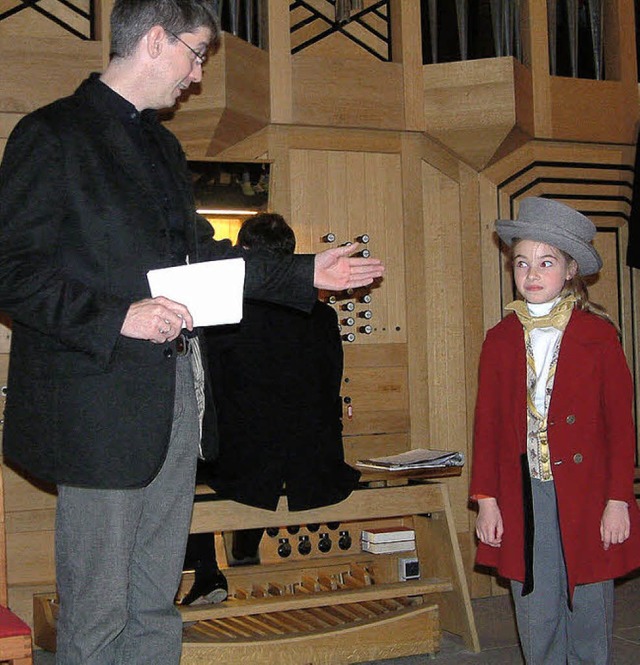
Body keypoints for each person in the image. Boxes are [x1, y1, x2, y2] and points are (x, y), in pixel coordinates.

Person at [0, 2, 383, 663]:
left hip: (175, 396)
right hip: (98, 409)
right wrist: (119, 314)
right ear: (154, 40)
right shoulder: (53, 135)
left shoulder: (163, 147)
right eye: (197, 53)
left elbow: (198, 258)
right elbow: (11, 269)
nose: (198, 75)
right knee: (97, 616)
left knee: (154, 605)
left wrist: (301, 271)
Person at [470, 196, 640, 665]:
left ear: (569, 270)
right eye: (522, 262)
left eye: (546, 262)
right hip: (526, 491)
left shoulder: (598, 335)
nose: (531, 273)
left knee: (588, 600)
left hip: (588, 492)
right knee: (535, 600)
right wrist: (487, 500)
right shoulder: (500, 338)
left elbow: (620, 429)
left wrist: (617, 500)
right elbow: (486, 426)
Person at [181, 213, 361, 605]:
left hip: (249, 462)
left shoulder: (223, 313)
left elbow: (206, 394)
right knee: (259, 442)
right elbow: (330, 386)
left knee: (187, 466)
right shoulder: (325, 316)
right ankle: (244, 554)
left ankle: (210, 573)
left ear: (244, 256)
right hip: (316, 461)